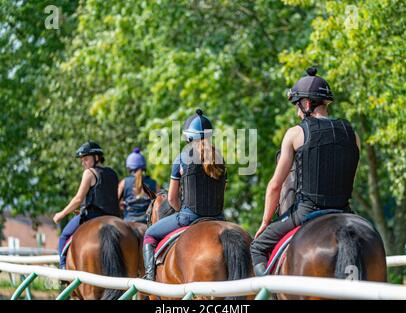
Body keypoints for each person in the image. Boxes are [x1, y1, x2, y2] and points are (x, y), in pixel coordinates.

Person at [250, 67, 361, 276]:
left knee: (257, 247)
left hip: (307, 212)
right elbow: (351, 179)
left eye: (297, 106)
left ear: (307, 104)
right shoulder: (352, 134)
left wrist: (265, 222)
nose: (297, 112)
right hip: (345, 211)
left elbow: (275, 186)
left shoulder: (295, 133)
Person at [142, 109, 227, 281]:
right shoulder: (220, 159)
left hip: (189, 217)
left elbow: (172, 198)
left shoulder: (181, 158)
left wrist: (185, 211)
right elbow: (222, 190)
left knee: (149, 235)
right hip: (219, 218)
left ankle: (149, 279)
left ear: (188, 137)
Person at [53, 141, 120, 269]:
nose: (83, 163)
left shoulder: (89, 173)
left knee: (64, 236)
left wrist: (61, 214)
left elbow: (78, 199)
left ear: (96, 157)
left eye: (86, 159)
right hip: (114, 218)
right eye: (82, 160)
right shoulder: (112, 173)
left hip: (92, 217)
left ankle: (62, 270)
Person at [118, 147, 158, 223]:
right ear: (144, 167)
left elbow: (115, 201)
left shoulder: (124, 182)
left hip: (128, 221)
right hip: (147, 222)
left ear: (129, 168)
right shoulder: (154, 183)